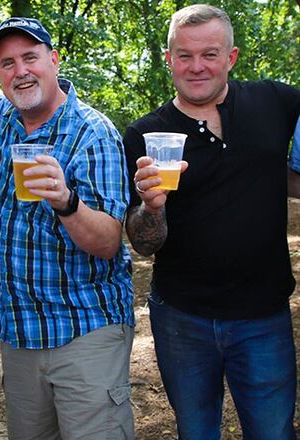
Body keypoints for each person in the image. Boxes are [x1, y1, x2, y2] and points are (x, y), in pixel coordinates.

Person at [0, 17, 134, 440]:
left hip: (85, 327)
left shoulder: (93, 133)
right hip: (19, 332)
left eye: (30, 58)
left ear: (54, 60)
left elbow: (108, 242)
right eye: (8, 63)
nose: (21, 71)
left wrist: (66, 201)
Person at [124, 4, 300, 439]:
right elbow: (144, 244)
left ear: (231, 57)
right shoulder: (146, 134)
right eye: (184, 55)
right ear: (169, 59)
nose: (196, 66)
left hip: (264, 316)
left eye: (209, 54)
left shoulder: (274, 102)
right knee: (196, 431)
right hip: (183, 318)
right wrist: (152, 207)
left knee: (273, 433)